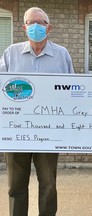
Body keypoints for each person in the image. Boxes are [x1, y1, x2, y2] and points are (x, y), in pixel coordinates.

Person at [0, 7, 74, 216]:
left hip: (49, 133)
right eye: (30, 23)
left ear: (48, 27)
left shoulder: (62, 55)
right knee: (15, 187)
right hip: (16, 133)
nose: (35, 27)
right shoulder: (10, 54)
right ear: (24, 27)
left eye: (39, 23)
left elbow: (73, 91)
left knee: (49, 185)